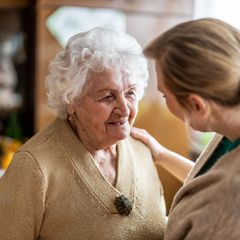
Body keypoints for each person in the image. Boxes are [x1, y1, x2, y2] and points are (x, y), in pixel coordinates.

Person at [0, 27, 167, 239]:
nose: (125, 109)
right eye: (108, 96)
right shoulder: (34, 167)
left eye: (130, 93)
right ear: (71, 101)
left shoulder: (142, 150)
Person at [131, 18, 240, 240]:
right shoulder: (229, 126)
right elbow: (208, 182)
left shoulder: (228, 201)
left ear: (197, 105)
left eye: (164, 95)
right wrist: (161, 155)